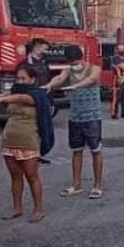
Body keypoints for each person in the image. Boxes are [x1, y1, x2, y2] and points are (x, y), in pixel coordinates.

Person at [0, 66, 54, 223]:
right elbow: (2, 95)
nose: (20, 81)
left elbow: (20, 98)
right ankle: (17, 208)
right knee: (15, 176)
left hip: (28, 141)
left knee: (31, 176)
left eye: (24, 78)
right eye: (18, 78)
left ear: (32, 79)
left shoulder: (36, 95)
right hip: (10, 140)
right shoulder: (14, 92)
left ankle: (38, 209)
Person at [43, 46, 106, 199]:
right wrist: (50, 84)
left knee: (95, 150)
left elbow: (92, 79)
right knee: (76, 150)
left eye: (75, 62)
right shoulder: (68, 70)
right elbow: (59, 78)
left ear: (82, 58)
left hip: (92, 116)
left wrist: (77, 85)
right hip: (75, 117)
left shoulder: (94, 68)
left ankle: (97, 185)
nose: (73, 65)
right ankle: (76, 185)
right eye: (71, 62)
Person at [111, 44, 124, 119]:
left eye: (123, 49)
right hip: (118, 79)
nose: (122, 50)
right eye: (120, 49)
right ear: (116, 50)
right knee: (117, 97)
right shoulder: (114, 58)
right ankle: (114, 113)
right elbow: (122, 66)